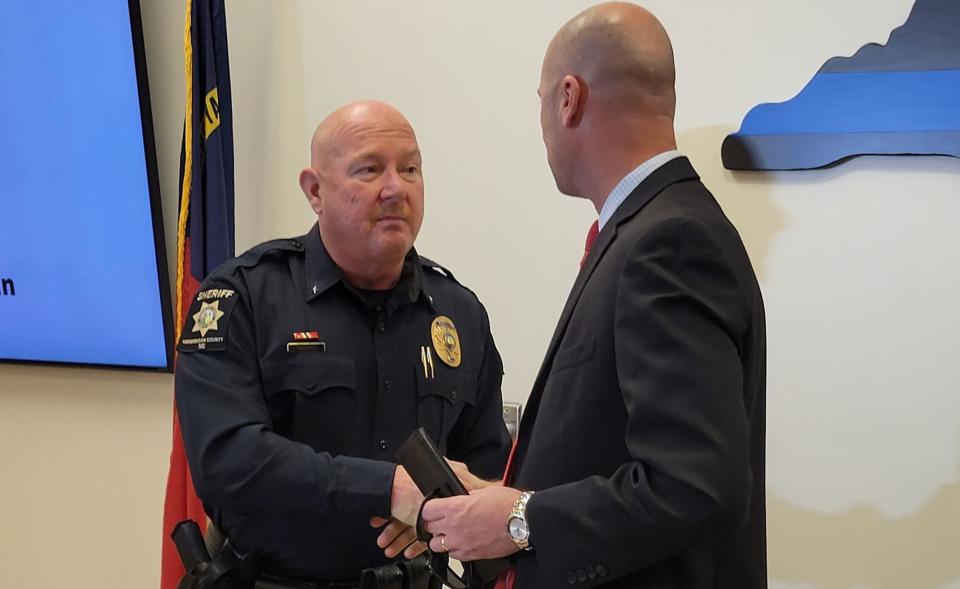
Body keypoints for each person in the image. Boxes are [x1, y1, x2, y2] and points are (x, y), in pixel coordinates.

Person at [420, 3, 767, 588]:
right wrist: (505, 501)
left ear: (569, 98)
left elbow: (694, 484)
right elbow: (614, 452)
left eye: (540, 101)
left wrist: (521, 519)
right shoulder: (649, 230)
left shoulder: (668, 242)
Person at [175, 100, 512, 584]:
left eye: (411, 169)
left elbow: (487, 472)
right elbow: (228, 460)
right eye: (370, 169)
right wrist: (390, 489)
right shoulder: (245, 296)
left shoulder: (458, 314)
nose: (396, 188)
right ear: (315, 190)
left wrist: (444, 521)